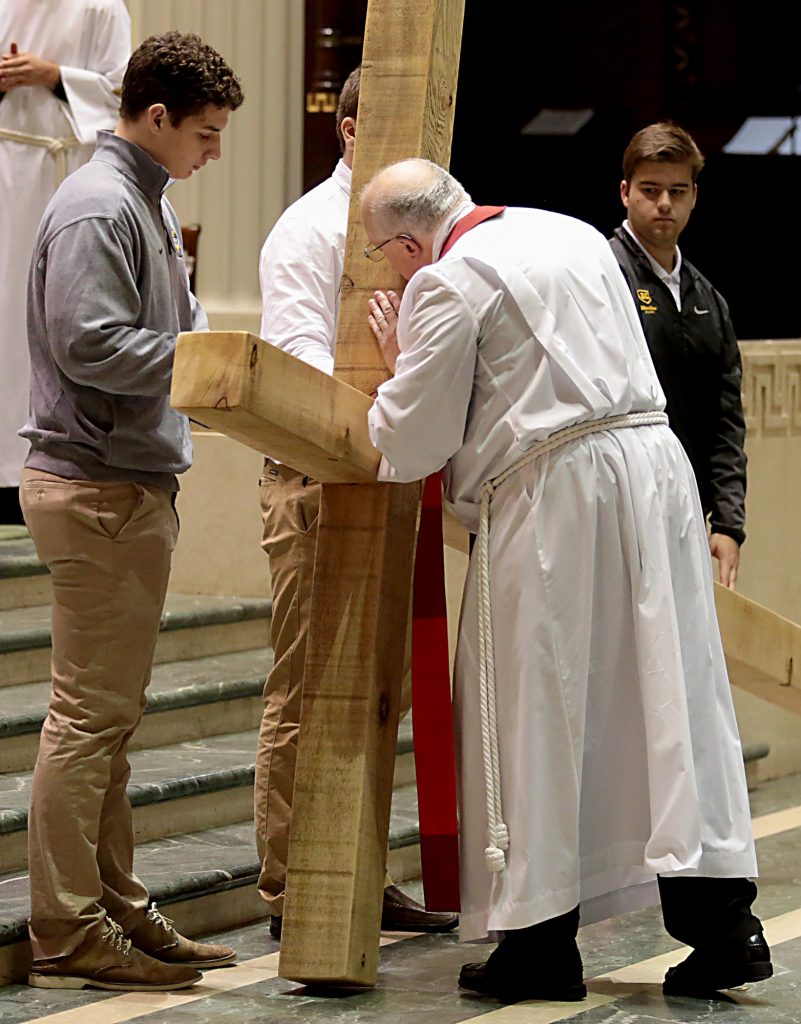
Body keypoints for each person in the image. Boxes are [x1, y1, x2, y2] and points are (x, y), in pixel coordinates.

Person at [361, 158, 770, 1003]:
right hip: (653, 473)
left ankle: (539, 948)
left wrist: (398, 356)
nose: (390, 271)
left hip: (556, 495)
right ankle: (725, 926)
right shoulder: (573, 232)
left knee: (533, 711)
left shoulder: (447, 280)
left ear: (408, 243)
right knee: (669, 703)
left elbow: (408, 445)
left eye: (383, 257)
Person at [19, 30, 244, 992]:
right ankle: (67, 928)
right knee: (85, 719)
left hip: (128, 481)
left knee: (109, 719)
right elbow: (89, 343)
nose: (213, 151)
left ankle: (113, 902)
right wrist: (207, 364)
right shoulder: (98, 205)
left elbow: (155, 333)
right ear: (153, 117)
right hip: (97, 483)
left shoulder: (142, 202)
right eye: (203, 132)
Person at [255, 66, 457, 938]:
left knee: (382, 690)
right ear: (347, 130)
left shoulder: (420, 220)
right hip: (314, 475)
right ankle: (288, 882)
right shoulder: (305, 230)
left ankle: (357, 871)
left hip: (390, 471)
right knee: (306, 686)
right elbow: (299, 365)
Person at [0, 0, 131, 525]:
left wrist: (54, 76)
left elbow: (126, 92)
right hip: (7, 166)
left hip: (62, 168)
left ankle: (40, 465)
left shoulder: (100, 6)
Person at [609, 122, 746, 590]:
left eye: (676, 190)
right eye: (650, 189)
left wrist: (728, 523)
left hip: (685, 511)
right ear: (625, 192)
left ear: (694, 196)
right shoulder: (599, 275)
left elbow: (727, 418)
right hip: (614, 508)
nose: (664, 203)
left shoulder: (710, 299)